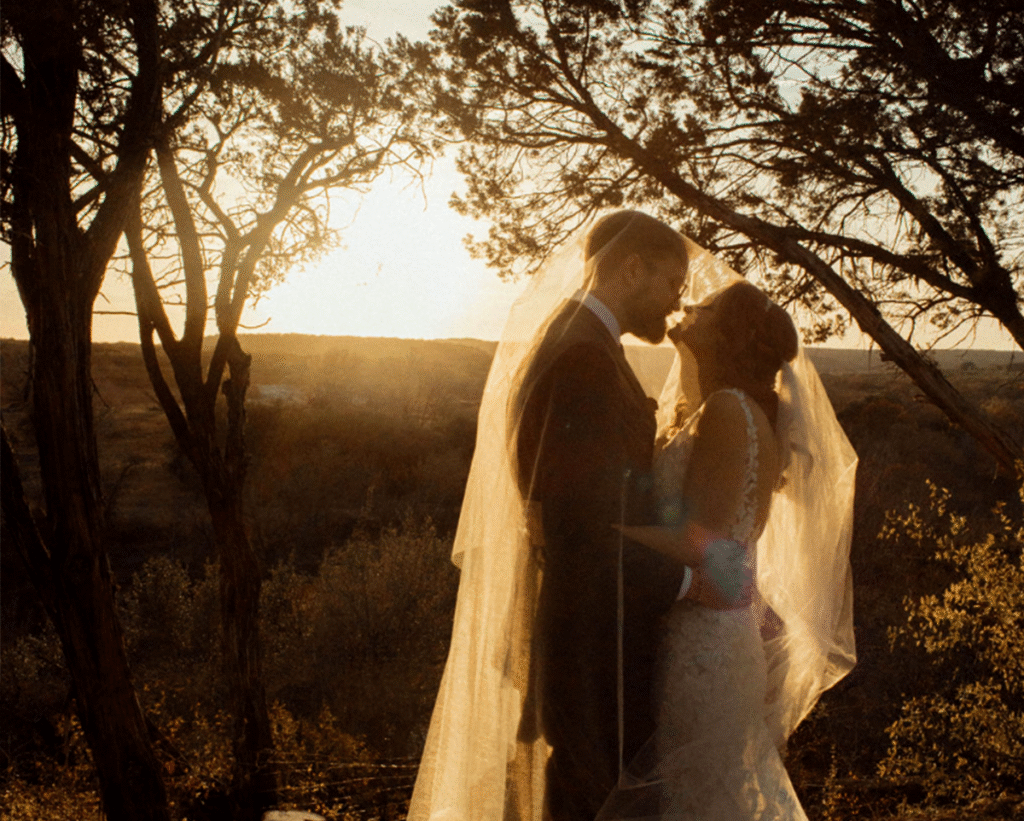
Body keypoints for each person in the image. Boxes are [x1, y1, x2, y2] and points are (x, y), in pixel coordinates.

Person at [408, 211, 742, 821]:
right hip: (595, 640)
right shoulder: (582, 358)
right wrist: (694, 581)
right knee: (597, 802)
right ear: (630, 267)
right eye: (671, 282)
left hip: (597, 627)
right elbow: (587, 532)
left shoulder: (583, 343)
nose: (675, 303)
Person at [599, 250, 858, 820]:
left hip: (704, 647)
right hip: (710, 632)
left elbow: (709, 545)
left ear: (730, 333)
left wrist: (603, 531)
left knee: (697, 801)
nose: (690, 307)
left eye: (707, 308)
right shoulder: (724, 407)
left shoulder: (727, 411)